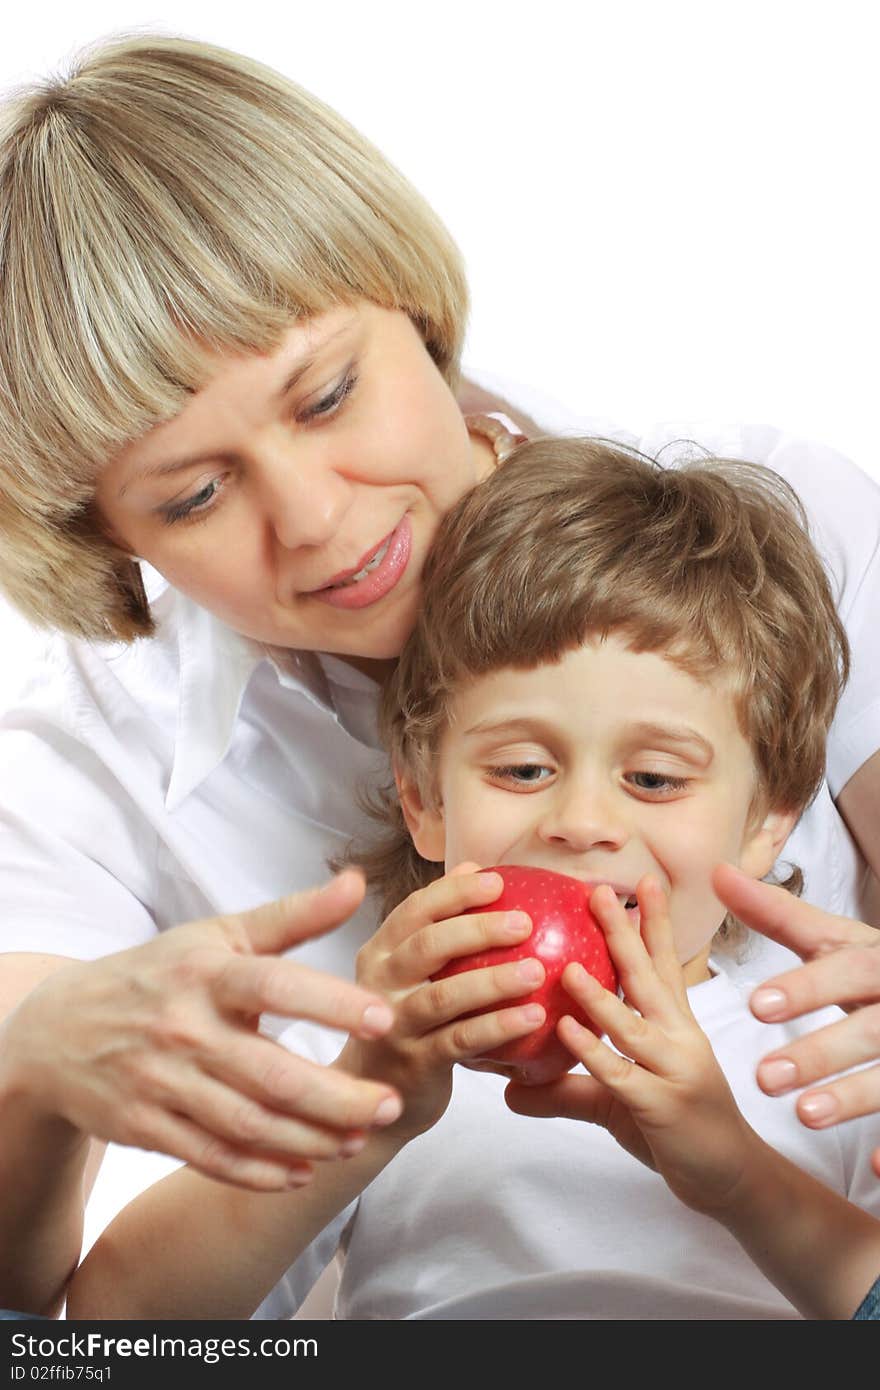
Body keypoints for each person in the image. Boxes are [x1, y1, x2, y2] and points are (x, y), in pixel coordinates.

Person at [1, 33, 879, 1317]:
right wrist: (35, 1067)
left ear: (412, 307)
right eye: (192, 494)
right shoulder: (84, 780)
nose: (311, 518)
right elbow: (68, 1330)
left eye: (328, 396)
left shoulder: (770, 533)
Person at [67, 436, 880, 1320]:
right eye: (523, 769)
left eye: (653, 778)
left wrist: (736, 1175)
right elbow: (112, 1334)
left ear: (768, 821)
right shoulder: (374, 1041)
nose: (581, 822)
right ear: (424, 800)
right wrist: (359, 1117)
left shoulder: (828, 1050)